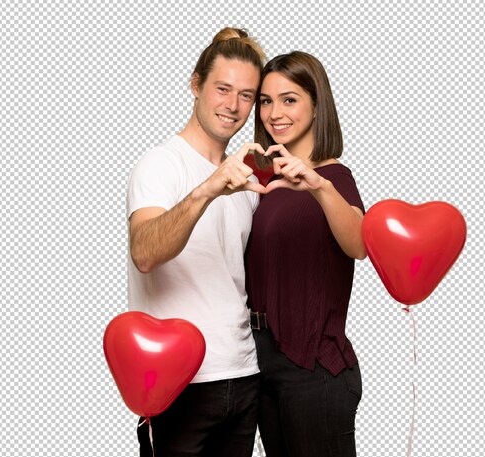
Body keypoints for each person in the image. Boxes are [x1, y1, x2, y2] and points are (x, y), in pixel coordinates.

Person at [126, 28, 267, 457]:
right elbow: (145, 253)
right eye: (222, 89)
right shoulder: (159, 163)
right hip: (179, 381)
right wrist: (208, 188)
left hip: (242, 375)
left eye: (246, 95)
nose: (233, 106)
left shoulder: (246, 177)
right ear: (196, 85)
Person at [245, 51, 366, 457]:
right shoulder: (266, 181)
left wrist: (318, 185)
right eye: (265, 100)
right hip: (263, 359)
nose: (274, 113)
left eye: (289, 99)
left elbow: (360, 244)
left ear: (317, 107)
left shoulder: (333, 177)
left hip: (314, 368)